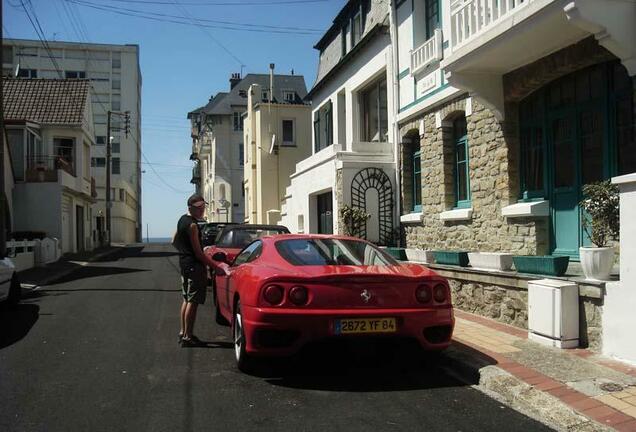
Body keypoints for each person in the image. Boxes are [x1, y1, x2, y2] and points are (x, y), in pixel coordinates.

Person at [173, 194, 216, 347]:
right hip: (194, 266)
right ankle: (187, 336)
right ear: (192, 208)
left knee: (186, 299)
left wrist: (184, 252)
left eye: (203, 208)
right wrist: (215, 266)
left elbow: (174, 240)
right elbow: (199, 253)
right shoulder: (192, 226)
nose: (202, 211)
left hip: (184, 264)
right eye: (200, 208)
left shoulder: (182, 220)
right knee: (193, 301)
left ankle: (183, 332)